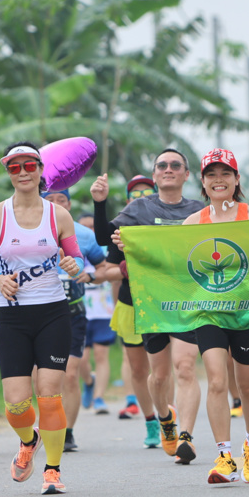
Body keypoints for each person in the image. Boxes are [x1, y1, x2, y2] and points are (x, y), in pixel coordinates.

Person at [0, 141, 84, 495]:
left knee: (49, 395)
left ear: (40, 170)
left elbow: (78, 261)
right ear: (8, 172)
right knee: (17, 405)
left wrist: (72, 265)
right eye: (14, 167)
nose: (23, 173)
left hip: (52, 313)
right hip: (13, 318)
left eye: (29, 166)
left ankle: (52, 469)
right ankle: (28, 440)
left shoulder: (58, 215)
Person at [107, 151, 206, 464]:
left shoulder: (199, 210)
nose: (168, 170)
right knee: (159, 376)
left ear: (186, 174)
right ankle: (165, 419)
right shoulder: (139, 209)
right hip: (151, 302)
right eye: (162, 165)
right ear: (155, 173)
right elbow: (105, 242)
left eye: (175, 165)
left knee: (186, 366)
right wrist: (118, 239)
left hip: (189, 301)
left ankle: (186, 436)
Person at [182, 149, 249, 483]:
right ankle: (225, 457)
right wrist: (129, 244)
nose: (219, 180)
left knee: (247, 386)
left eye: (225, 174)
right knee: (217, 380)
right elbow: (174, 263)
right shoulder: (193, 222)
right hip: (209, 313)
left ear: (236, 180)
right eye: (212, 175)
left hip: (247, 314)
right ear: (203, 182)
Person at [90, 174, 159, 445]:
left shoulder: (170, 228)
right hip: (131, 307)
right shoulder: (122, 231)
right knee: (139, 371)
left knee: (165, 370)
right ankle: (151, 421)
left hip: (163, 307)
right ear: (128, 201)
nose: (141, 199)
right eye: (135, 195)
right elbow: (105, 270)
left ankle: (170, 418)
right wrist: (124, 269)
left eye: (146, 193)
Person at [40, 190, 108, 453]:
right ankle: (46, 427)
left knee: (69, 375)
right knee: (42, 378)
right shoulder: (27, 230)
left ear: (69, 203)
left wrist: (89, 276)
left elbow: (104, 268)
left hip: (74, 313)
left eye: (62, 200)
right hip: (39, 313)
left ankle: (67, 433)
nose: (57, 205)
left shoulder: (84, 234)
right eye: (50, 200)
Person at [76, 212, 122, 417]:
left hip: (104, 310)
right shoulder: (72, 249)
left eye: (92, 226)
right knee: (81, 360)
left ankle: (99, 398)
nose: (88, 231)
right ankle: (89, 382)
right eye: (83, 227)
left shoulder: (105, 249)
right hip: (80, 310)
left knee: (101, 355)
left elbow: (111, 276)